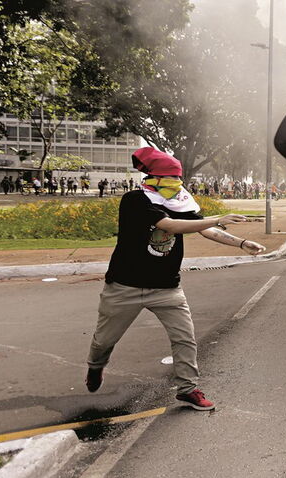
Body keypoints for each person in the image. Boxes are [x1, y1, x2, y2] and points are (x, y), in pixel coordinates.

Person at [86, 147, 266, 410]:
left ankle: (188, 389)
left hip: (167, 287)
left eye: (177, 180)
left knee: (184, 337)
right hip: (125, 285)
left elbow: (207, 229)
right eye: (169, 179)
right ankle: (95, 365)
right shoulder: (135, 200)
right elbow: (170, 226)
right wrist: (216, 218)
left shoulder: (177, 201)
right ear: (152, 179)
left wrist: (242, 243)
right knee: (104, 340)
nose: (175, 185)